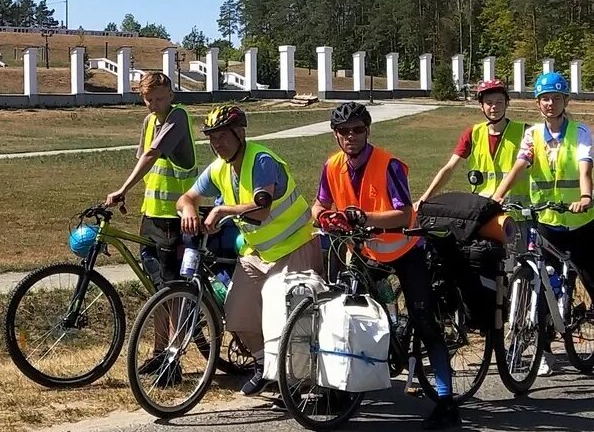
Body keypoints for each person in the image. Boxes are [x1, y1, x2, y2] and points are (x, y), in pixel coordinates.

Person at [311, 102, 459, 429]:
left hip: (405, 249)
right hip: (366, 251)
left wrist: (364, 217)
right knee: (347, 314)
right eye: (344, 131)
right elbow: (319, 202)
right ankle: (343, 387)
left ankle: (447, 402)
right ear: (335, 135)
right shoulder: (332, 166)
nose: (351, 136)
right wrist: (322, 216)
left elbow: (405, 214)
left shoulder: (388, 164)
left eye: (357, 130)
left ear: (368, 131)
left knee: (424, 322)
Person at [177, 105, 322, 396]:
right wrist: (189, 210)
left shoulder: (262, 160)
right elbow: (186, 196)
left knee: (283, 315)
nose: (217, 144)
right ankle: (264, 367)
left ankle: (295, 381)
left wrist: (222, 210)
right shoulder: (219, 167)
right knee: (237, 313)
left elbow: (261, 209)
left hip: (295, 246)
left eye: (222, 137)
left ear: (240, 133)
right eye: (212, 138)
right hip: (258, 253)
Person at [490, 72, 594, 377]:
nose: (550, 103)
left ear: (566, 101)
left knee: (591, 279)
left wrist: (586, 195)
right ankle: (544, 350)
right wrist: (495, 198)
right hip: (546, 221)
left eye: (556, 98)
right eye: (545, 98)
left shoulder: (581, 132)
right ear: (538, 103)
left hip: (580, 221)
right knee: (541, 283)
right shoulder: (532, 135)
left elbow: (585, 168)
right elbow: (519, 166)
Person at [104, 72, 198, 385]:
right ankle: (159, 353)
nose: (154, 104)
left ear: (171, 95)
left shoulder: (178, 117)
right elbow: (146, 164)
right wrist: (132, 195)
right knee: (156, 288)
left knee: (172, 289)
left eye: (159, 98)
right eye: (148, 99)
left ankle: (174, 359)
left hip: (178, 217)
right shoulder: (148, 123)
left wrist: (122, 189)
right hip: (152, 215)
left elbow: (152, 154)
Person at [419, 79, 531, 243]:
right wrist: (425, 198)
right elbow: (449, 168)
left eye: (500, 102)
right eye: (489, 102)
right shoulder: (473, 133)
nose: (494, 107)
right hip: (482, 214)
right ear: (481, 106)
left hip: (516, 215)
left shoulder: (525, 132)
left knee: (522, 264)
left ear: (507, 104)